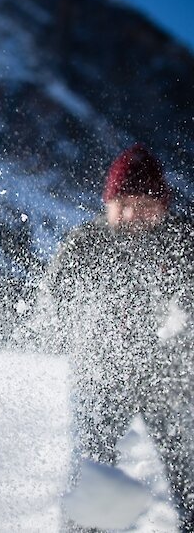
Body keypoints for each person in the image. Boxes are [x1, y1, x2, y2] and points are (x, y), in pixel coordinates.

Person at [25, 143, 194, 531]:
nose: (134, 213)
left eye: (145, 202)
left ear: (163, 204)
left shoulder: (184, 242)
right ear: (108, 203)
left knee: (189, 475)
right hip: (101, 377)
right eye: (124, 202)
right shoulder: (85, 244)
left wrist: (180, 333)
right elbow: (52, 305)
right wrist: (91, 333)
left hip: (172, 383)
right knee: (92, 474)